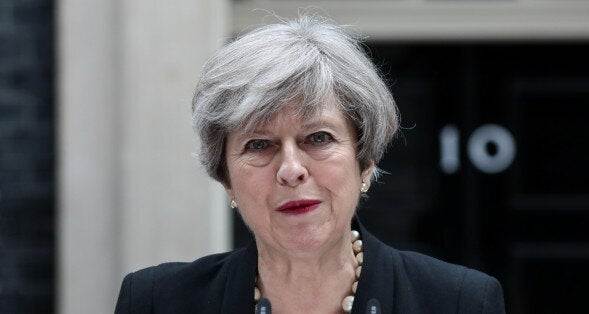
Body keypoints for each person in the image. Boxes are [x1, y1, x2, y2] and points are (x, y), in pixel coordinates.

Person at [114, 14, 505, 314]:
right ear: (226, 180)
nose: (291, 169)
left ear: (365, 162)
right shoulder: (157, 301)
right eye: (259, 144)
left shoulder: (459, 302)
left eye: (318, 138)